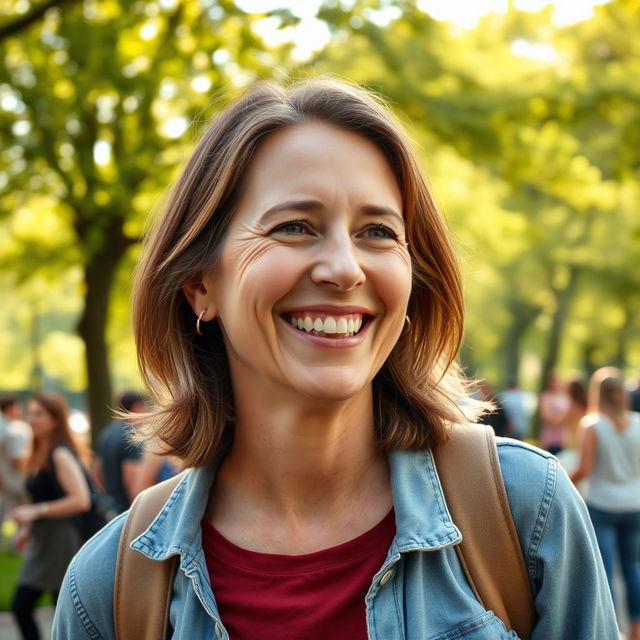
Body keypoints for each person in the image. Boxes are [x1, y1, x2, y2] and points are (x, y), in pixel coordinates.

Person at [52, 79, 617, 639]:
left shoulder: (526, 511)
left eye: (377, 231)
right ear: (200, 284)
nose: (345, 268)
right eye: (294, 226)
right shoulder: (108, 589)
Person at [11, 392, 91, 640]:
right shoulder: (38, 453)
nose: (31, 419)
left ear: (55, 420)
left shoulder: (60, 454)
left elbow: (81, 500)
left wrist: (36, 511)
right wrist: (26, 530)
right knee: (30, 606)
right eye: (30, 413)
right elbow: (37, 497)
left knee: (46, 606)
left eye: (38, 414)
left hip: (62, 540)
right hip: (43, 541)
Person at [571, 367, 640, 640]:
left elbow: (584, 470)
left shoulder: (593, 425)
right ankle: (636, 631)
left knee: (605, 571)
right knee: (632, 569)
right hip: (634, 506)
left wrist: (562, 481)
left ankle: (611, 631)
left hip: (602, 505)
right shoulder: (638, 423)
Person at [93, 391, 146, 517]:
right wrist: (139, 514)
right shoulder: (133, 436)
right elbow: (131, 480)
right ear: (137, 407)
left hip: (111, 508)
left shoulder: (106, 433)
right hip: (127, 510)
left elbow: (96, 473)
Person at [0, 395, 32, 525]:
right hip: (17, 481)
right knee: (21, 518)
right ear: (11, 408)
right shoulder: (14, 430)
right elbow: (17, 459)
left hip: (6, 479)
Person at [538, 370, 570, 455]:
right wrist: (562, 417)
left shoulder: (564, 396)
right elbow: (547, 416)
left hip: (563, 438)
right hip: (550, 438)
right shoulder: (545, 396)